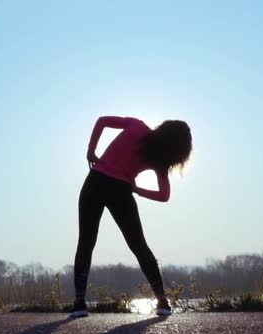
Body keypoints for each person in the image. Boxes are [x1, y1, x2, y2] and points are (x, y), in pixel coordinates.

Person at [70, 116, 192, 318]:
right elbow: (164, 196)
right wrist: (136, 190)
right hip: (121, 191)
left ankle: (79, 303)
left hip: (96, 183)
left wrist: (91, 151)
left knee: (86, 241)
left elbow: (102, 121)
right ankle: (162, 301)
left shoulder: (137, 126)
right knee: (138, 245)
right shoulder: (159, 160)